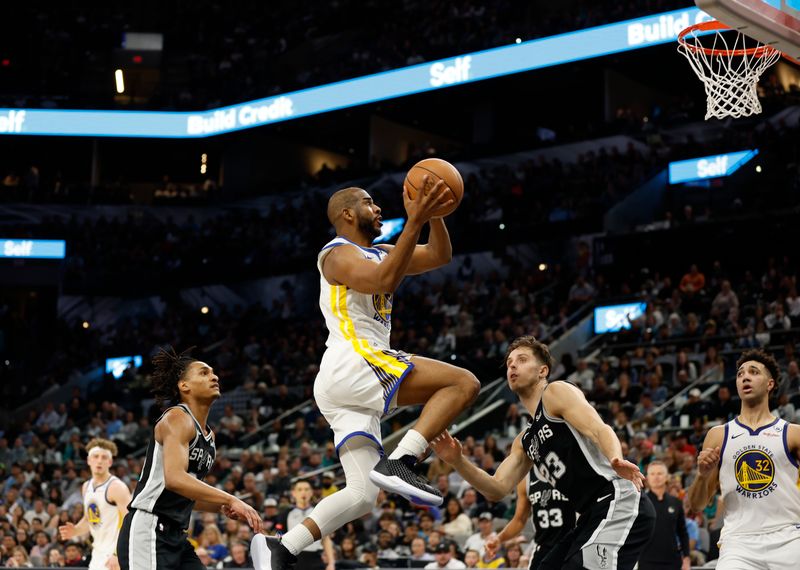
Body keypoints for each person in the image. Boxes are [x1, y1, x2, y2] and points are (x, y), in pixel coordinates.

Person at [252, 184, 480, 569]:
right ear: (346, 214)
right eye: (368, 203)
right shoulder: (336, 253)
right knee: (463, 383)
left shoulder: (385, 252)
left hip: (344, 384)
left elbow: (440, 255)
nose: (377, 209)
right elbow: (382, 282)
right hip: (355, 360)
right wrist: (414, 220)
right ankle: (404, 459)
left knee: (362, 495)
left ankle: (281, 548)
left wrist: (435, 213)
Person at [432, 336, 655, 570]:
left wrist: (614, 457)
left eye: (522, 359)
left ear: (542, 370)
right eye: (509, 363)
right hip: (591, 514)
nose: (512, 366)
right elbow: (496, 488)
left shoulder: (556, 392)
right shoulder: (525, 440)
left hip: (618, 499)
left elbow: (599, 429)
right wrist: (457, 460)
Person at [117, 347, 261, 570]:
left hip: (175, 535)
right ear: (184, 386)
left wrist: (219, 506)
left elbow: (184, 493)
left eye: (213, 372)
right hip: (148, 528)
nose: (214, 376)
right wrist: (230, 498)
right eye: (204, 373)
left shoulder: (209, 436)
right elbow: (174, 478)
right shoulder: (177, 417)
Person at [687, 348, 800, 569]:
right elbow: (697, 505)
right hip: (739, 543)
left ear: (770, 384)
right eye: (740, 374)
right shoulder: (718, 435)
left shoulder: (793, 433)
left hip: (789, 538)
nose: (745, 377)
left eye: (754, 372)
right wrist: (702, 476)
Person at [58, 438, 132, 570]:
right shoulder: (86, 487)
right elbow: (90, 520)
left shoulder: (116, 487)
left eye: (104, 457)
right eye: (95, 456)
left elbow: (131, 522)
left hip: (115, 553)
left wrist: (118, 553)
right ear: (88, 460)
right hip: (97, 553)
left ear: (110, 462)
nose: (99, 460)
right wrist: (75, 530)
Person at [485, 472, 576, 570]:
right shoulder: (526, 480)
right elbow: (519, 520)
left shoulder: (570, 470)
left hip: (572, 544)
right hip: (543, 545)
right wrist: (499, 538)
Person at [638, 461, 690, 570]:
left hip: (672, 562)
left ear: (666, 477)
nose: (656, 477)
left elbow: (683, 533)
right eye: (652, 474)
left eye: (659, 474)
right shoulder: (640, 502)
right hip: (646, 561)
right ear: (647, 478)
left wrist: (686, 558)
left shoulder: (676, 502)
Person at [285, 480, 335, 570]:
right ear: (293, 493)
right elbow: (279, 538)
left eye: (306, 489)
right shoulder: (286, 514)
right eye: (299, 489)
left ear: (311, 492)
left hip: (315, 558)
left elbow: (326, 539)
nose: (303, 492)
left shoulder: (319, 512)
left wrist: (331, 563)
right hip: (294, 559)